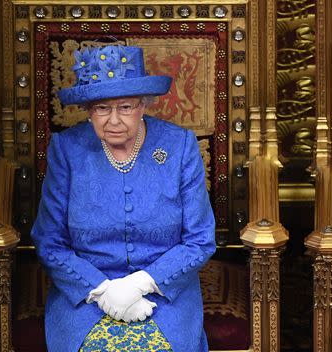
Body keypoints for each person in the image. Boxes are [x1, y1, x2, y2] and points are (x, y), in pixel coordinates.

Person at [31, 45, 216, 352]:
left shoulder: (179, 146)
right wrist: (102, 291)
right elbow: (49, 241)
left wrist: (140, 284)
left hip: (164, 295)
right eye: (102, 108)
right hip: (85, 296)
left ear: (143, 106)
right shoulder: (67, 150)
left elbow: (199, 239)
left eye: (125, 107)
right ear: (89, 111)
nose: (113, 120)